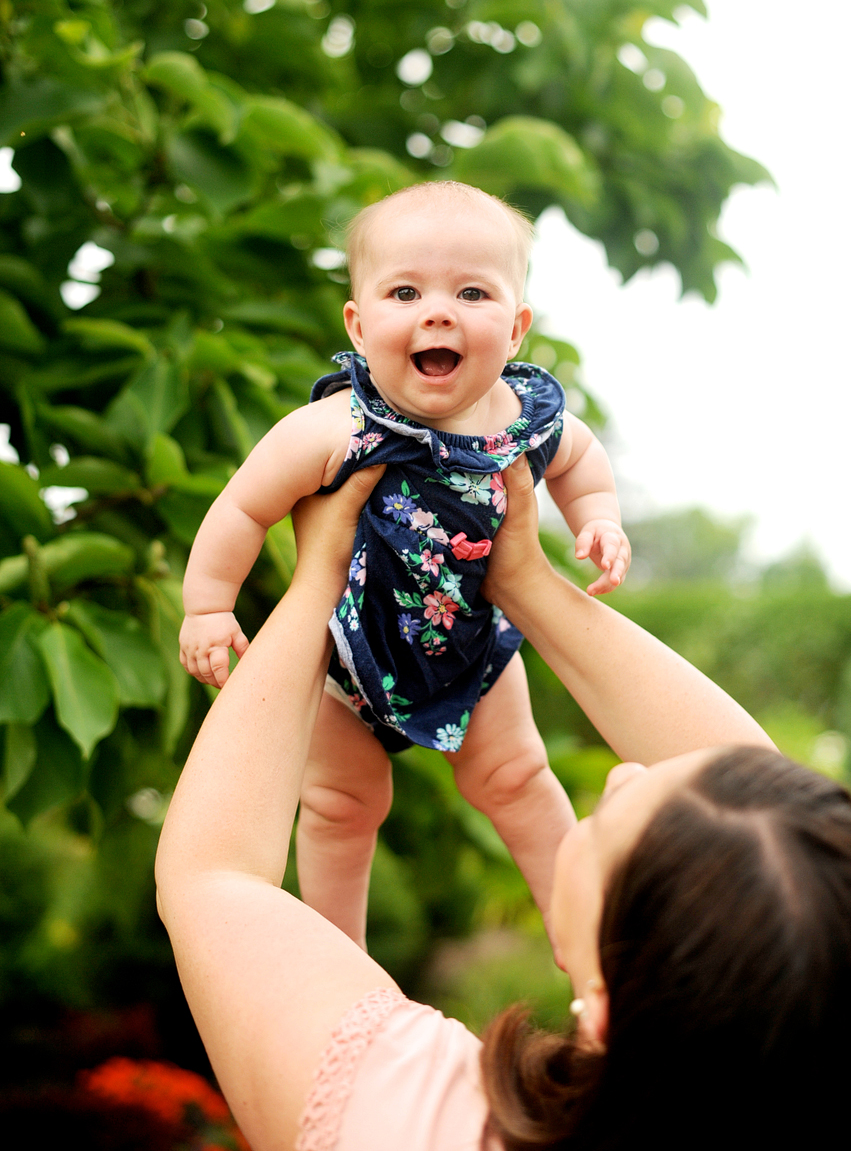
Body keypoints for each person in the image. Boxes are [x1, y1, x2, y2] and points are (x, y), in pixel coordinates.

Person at [156, 458, 851, 1151]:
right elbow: (774, 849)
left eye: (612, 820)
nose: (624, 774)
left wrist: (318, 576)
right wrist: (524, 579)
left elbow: (212, 875)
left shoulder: (422, 1115)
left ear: (608, 1008)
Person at [178, 181, 631, 951]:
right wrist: (208, 605)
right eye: (405, 291)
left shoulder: (523, 419)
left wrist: (599, 520)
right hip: (342, 657)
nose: (439, 310)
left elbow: (581, 463)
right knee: (338, 805)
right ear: (358, 325)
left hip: (473, 645)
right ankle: (339, 955)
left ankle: (579, 933)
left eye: (473, 291)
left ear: (516, 328)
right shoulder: (333, 427)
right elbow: (242, 508)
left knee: (518, 777)